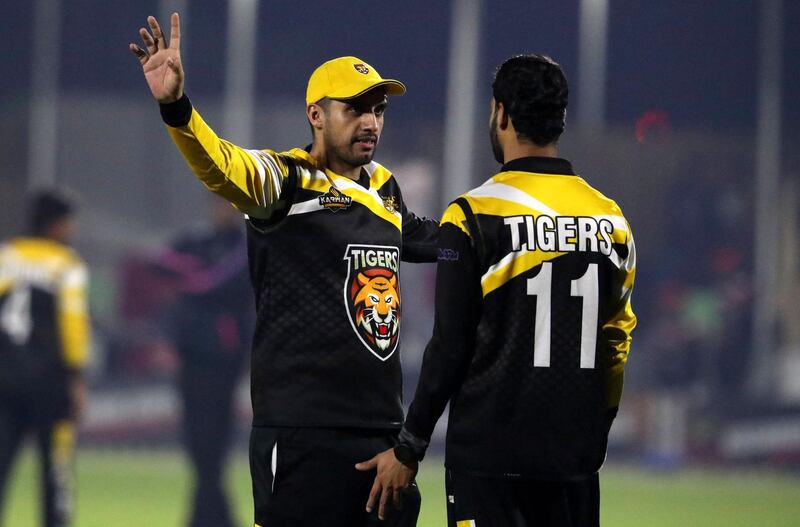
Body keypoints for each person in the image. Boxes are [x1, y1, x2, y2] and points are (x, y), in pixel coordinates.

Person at [129, 13, 437, 527]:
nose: (371, 122)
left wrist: (492, 238)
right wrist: (176, 107)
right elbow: (221, 166)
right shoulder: (285, 182)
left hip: (382, 439)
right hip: (300, 434)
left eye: (378, 109)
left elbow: (429, 241)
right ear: (316, 115)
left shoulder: (384, 187)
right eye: (356, 108)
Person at [360, 54, 637, 526]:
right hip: (572, 463)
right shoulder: (611, 220)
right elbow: (616, 343)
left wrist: (409, 448)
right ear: (560, 120)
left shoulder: (471, 216)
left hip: (489, 461)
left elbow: (449, 346)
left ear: (502, 113)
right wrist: (596, 430)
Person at [155, 196, 252, 527]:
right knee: (197, 439)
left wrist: (192, 277)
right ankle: (214, 517)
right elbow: (160, 263)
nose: (223, 210)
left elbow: (218, 282)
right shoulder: (194, 239)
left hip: (223, 358)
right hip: (191, 355)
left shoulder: (244, 243)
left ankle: (206, 517)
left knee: (216, 438)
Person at [0, 190, 91, 527]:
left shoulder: (6, 256)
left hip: (4, 381)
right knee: (55, 470)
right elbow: (72, 325)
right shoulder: (65, 264)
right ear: (56, 225)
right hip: (48, 383)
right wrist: (76, 378)